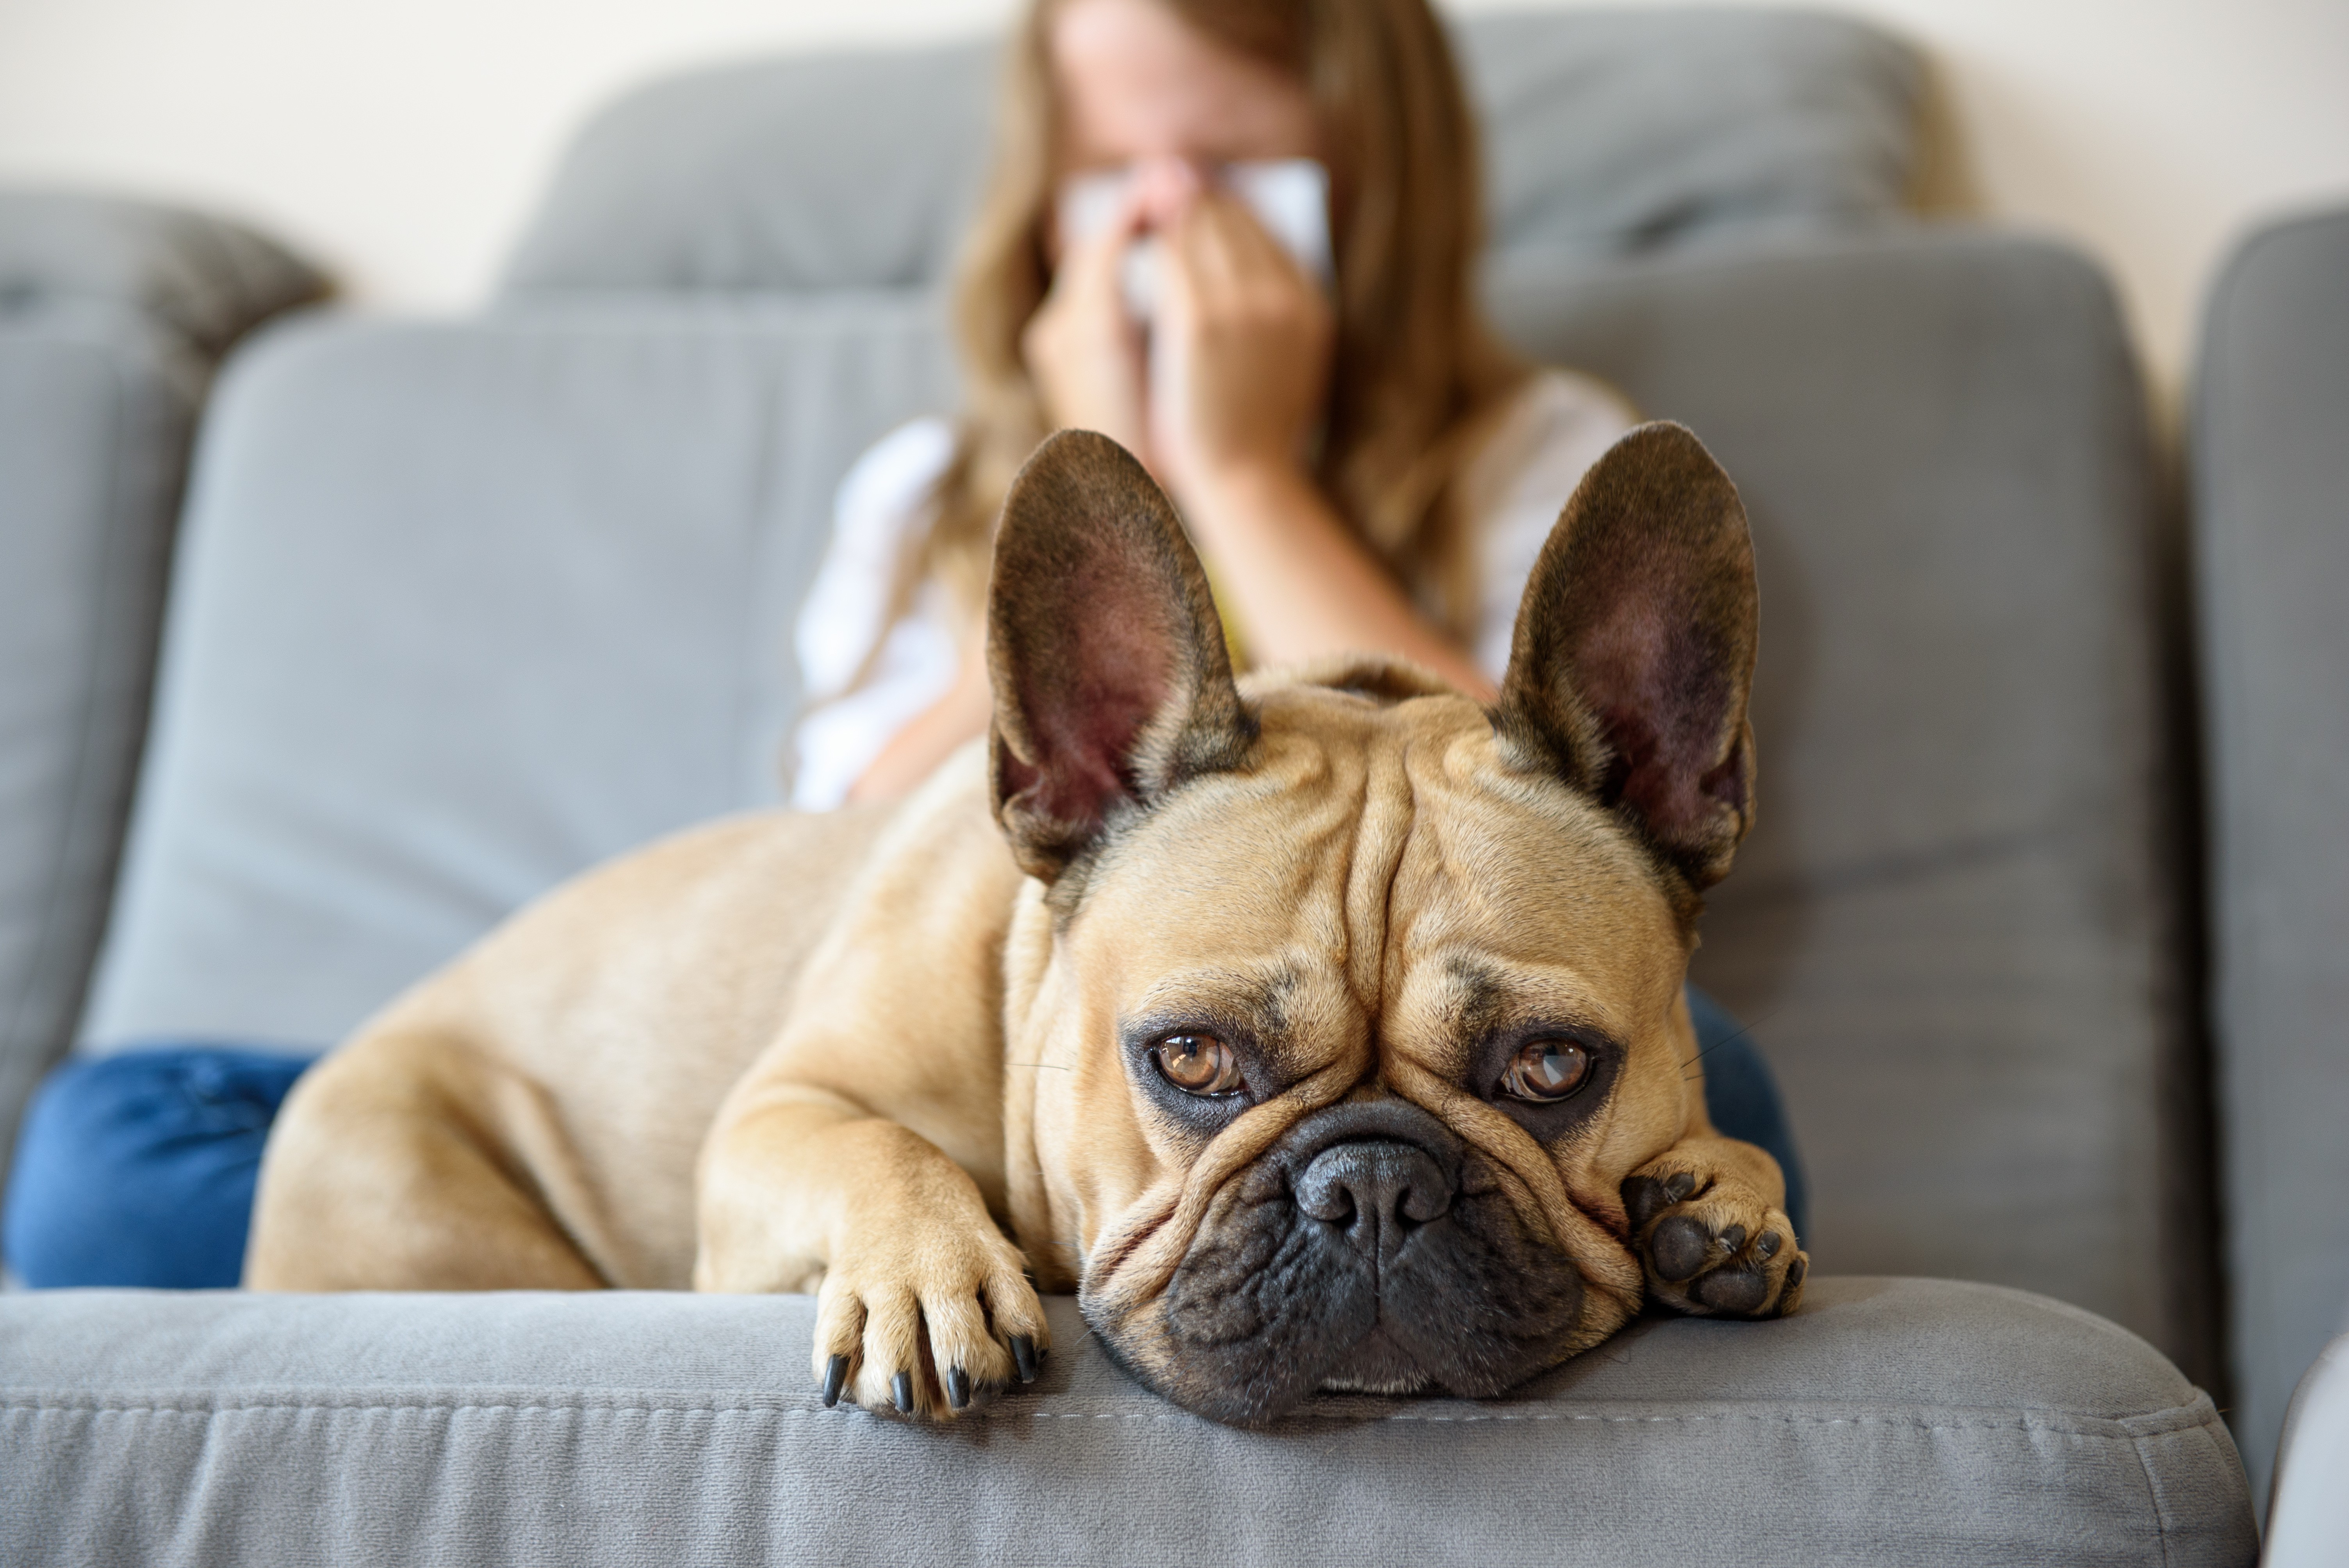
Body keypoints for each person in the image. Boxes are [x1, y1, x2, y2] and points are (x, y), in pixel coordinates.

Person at [0, 0, 1803, 1291]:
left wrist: (1239, 470)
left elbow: (1513, 856)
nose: (1177, 218)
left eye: (1250, 168)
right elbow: (881, 847)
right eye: (1117, 170)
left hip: (1249, 1059)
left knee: (1713, 1067)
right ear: (1039, 200)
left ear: (1379, 183)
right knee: (113, 1137)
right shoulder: (934, 492)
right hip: (721, 1095)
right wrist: (1080, 488)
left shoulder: (1525, 457)